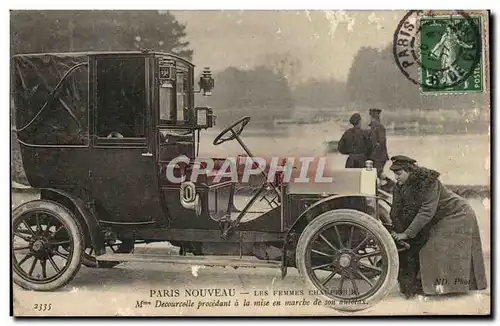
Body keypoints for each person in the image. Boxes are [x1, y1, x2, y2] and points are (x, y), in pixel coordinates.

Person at [389, 155, 487, 299]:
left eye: (399, 174)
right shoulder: (400, 186)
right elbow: (397, 210)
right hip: (440, 216)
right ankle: (427, 285)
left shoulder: (428, 183)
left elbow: (426, 211)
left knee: (433, 247)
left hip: (458, 214)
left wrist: (407, 234)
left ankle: (443, 287)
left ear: (410, 171)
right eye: (394, 174)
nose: (396, 178)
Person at [367, 108, 389, 177]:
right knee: (375, 175)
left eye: (372, 117)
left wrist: (373, 154)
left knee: (377, 174)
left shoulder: (379, 127)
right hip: (376, 157)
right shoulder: (372, 127)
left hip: (379, 157)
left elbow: (381, 142)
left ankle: (389, 186)